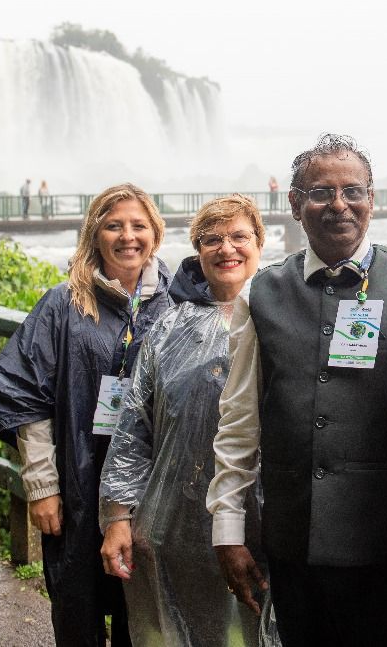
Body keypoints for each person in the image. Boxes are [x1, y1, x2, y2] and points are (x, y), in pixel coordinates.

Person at [208, 134, 387, 647]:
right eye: (321, 192)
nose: (339, 205)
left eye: (353, 191)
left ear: (373, 200)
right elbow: (239, 419)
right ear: (295, 203)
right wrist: (228, 529)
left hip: (386, 542)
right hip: (291, 538)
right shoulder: (261, 292)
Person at [0, 184, 173, 647]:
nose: (128, 236)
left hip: (149, 494)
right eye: (114, 225)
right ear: (95, 233)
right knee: (77, 613)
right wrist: (42, 488)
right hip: (77, 489)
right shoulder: (64, 304)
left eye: (138, 225)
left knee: (143, 619)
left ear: (155, 233)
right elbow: (27, 399)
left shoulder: (173, 305)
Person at [99, 195, 276, 647]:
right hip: (178, 524)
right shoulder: (168, 328)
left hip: (267, 524)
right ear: (197, 250)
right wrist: (119, 516)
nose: (227, 249)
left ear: (260, 244)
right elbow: (133, 428)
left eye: (239, 237)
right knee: (196, 633)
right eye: (212, 239)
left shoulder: (284, 320)